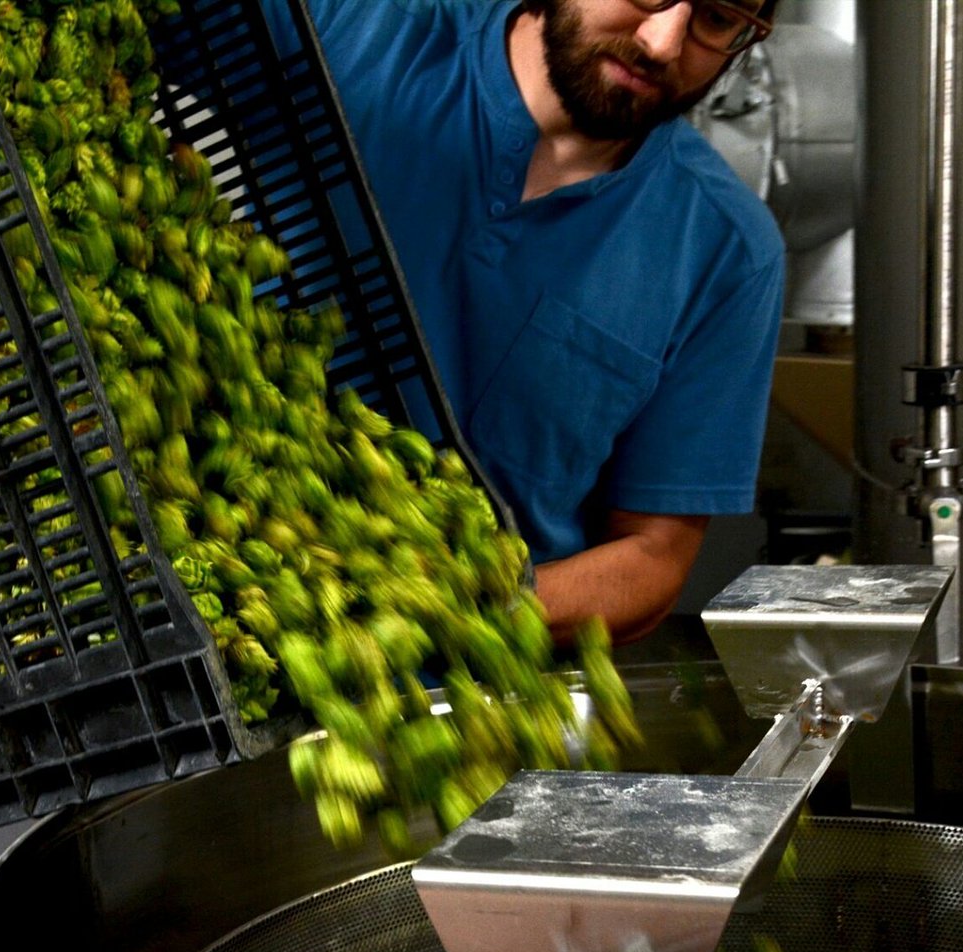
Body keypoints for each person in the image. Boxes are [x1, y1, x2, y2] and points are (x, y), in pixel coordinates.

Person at [266, 0, 785, 645]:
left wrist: (434, 617)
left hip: (453, 696)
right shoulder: (348, 30)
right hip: (195, 596)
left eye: (714, 19)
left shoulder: (724, 249)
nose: (662, 43)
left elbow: (653, 557)